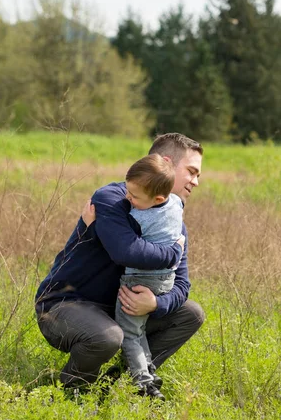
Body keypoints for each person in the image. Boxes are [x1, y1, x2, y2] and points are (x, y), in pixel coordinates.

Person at [35, 132, 204, 397]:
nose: (196, 181)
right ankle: (70, 394)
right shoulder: (112, 199)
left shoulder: (173, 223)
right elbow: (126, 252)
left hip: (118, 309)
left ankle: (116, 384)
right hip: (67, 304)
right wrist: (172, 253)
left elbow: (182, 284)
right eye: (192, 172)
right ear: (166, 163)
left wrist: (156, 304)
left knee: (191, 313)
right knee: (108, 336)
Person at [116, 154, 184, 400]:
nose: (128, 199)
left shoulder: (138, 217)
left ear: (158, 199)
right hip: (166, 280)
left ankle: (143, 384)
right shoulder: (176, 202)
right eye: (127, 192)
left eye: (134, 197)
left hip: (139, 281)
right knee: (140, 330)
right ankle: (150, 373)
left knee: (130, 333)